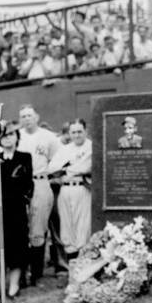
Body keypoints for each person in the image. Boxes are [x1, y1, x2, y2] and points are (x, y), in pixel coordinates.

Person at [18, 105, 61, 286]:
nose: (27, 119)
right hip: (20, 184)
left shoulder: (48, 136)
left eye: (29, 115)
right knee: (22, 227)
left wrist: (52, 177)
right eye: (23, 116)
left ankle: (36, 273)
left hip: (41, 181)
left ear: (36, 116)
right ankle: (22, 272)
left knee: (38, 228)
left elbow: (58, 160)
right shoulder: (17, 136)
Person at [0, 122, 33, 298]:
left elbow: (26, 183)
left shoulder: (24, 157)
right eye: (4, 136)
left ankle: (14, 284)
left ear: (17, 137)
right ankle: (0, 285)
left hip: (16, 209)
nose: (7, 139)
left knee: (17, 246)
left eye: (11, 135)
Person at [47, 119, 92, 262]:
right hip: (65, 190)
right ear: (69, 133)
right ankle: (72, 269)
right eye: (73, 132)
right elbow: (52, 169)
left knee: (83, 228)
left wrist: (66, 169)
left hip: (83, 189)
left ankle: (83, 268)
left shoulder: (91, 146)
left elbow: (86, 167)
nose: (77, 135)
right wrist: (72, 169)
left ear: (86, 131)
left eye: (80, 131)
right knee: (67, 227)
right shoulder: (65, 148)